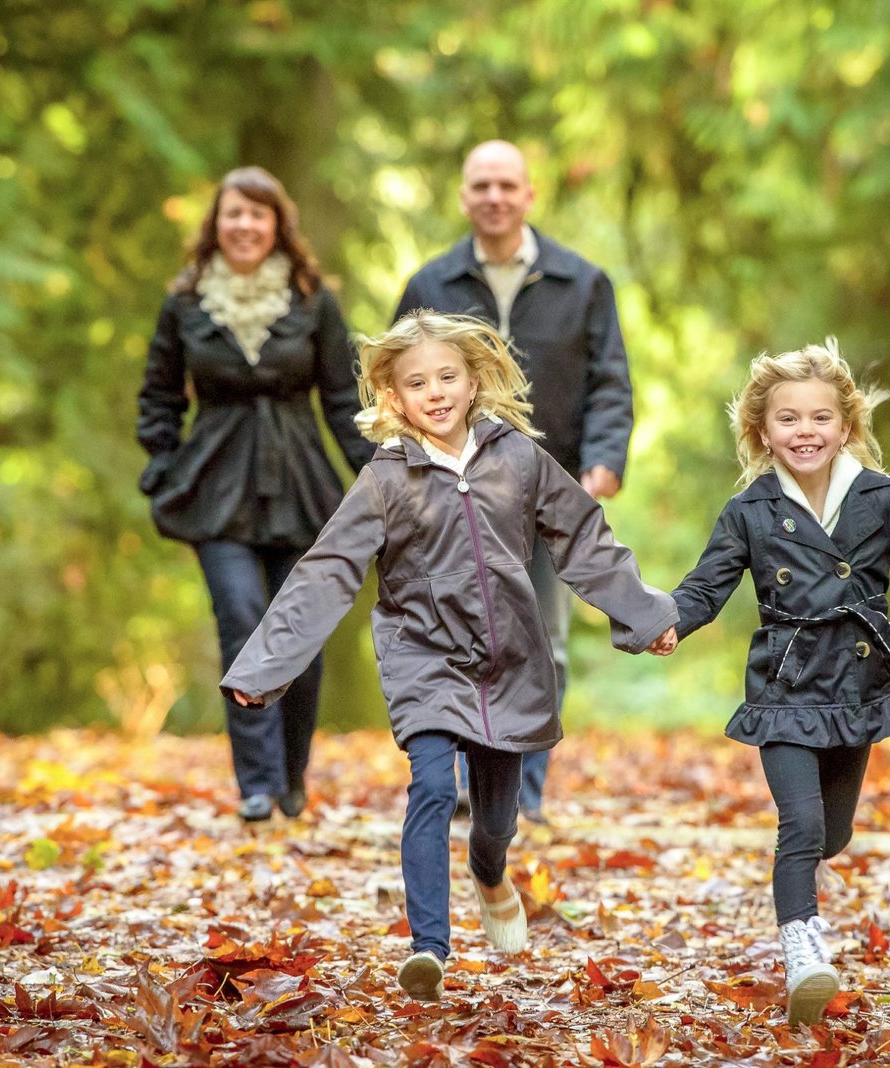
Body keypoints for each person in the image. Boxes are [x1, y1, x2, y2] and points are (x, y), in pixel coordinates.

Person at [220, 311, 677, 1001]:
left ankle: (489, 874)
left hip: (509, 659)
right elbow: (326, 572)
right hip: (424, 657)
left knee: (495, 823)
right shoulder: (385, 480)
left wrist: (645, 615)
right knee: (433, 787)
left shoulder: (519, 459)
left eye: (446, 377)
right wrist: (265, 666)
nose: (434, 392)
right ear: (393, 397)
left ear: (473, 381)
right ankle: (428, 947)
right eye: (416, 383)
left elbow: (584, 539)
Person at [669, 339, 890, 1027]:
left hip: (857, 687)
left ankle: (806, 879)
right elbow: (704, 586)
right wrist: (667, 623)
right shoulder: (749, 511)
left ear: (845, 426)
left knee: (831, 834)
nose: (804, 431)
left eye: (820, 417)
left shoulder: (880, 498)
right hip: (784, 687)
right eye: (787, 418)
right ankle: (803, 953)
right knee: (801, 824)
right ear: (762, 430)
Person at [393, 139, 634, 823]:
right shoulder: (429, 286)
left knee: (541, 645)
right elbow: (393, 386)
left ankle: (522, 795)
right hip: (447, 494)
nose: (494, 197)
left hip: (546, 494)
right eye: (481, 186)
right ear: (464, 197)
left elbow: (610, 383)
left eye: (506, 185)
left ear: (529, 194)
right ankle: (465, 782)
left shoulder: (582, 283)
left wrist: (603, 461)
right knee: (454, 640)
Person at [136, 166, 374, 823]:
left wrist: (377, 473)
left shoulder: (313, 301)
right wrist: (161, 465)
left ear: (278, 226)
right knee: (242, 619)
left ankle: (292, 775)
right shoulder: (185, 303)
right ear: (216, 224)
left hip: (301, 485)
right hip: (214, 487)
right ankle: (258, 785)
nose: (244, 225)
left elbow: (344, 398)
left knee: (299, 630)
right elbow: (158, 395)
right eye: (233, 213)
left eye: (257, 214)